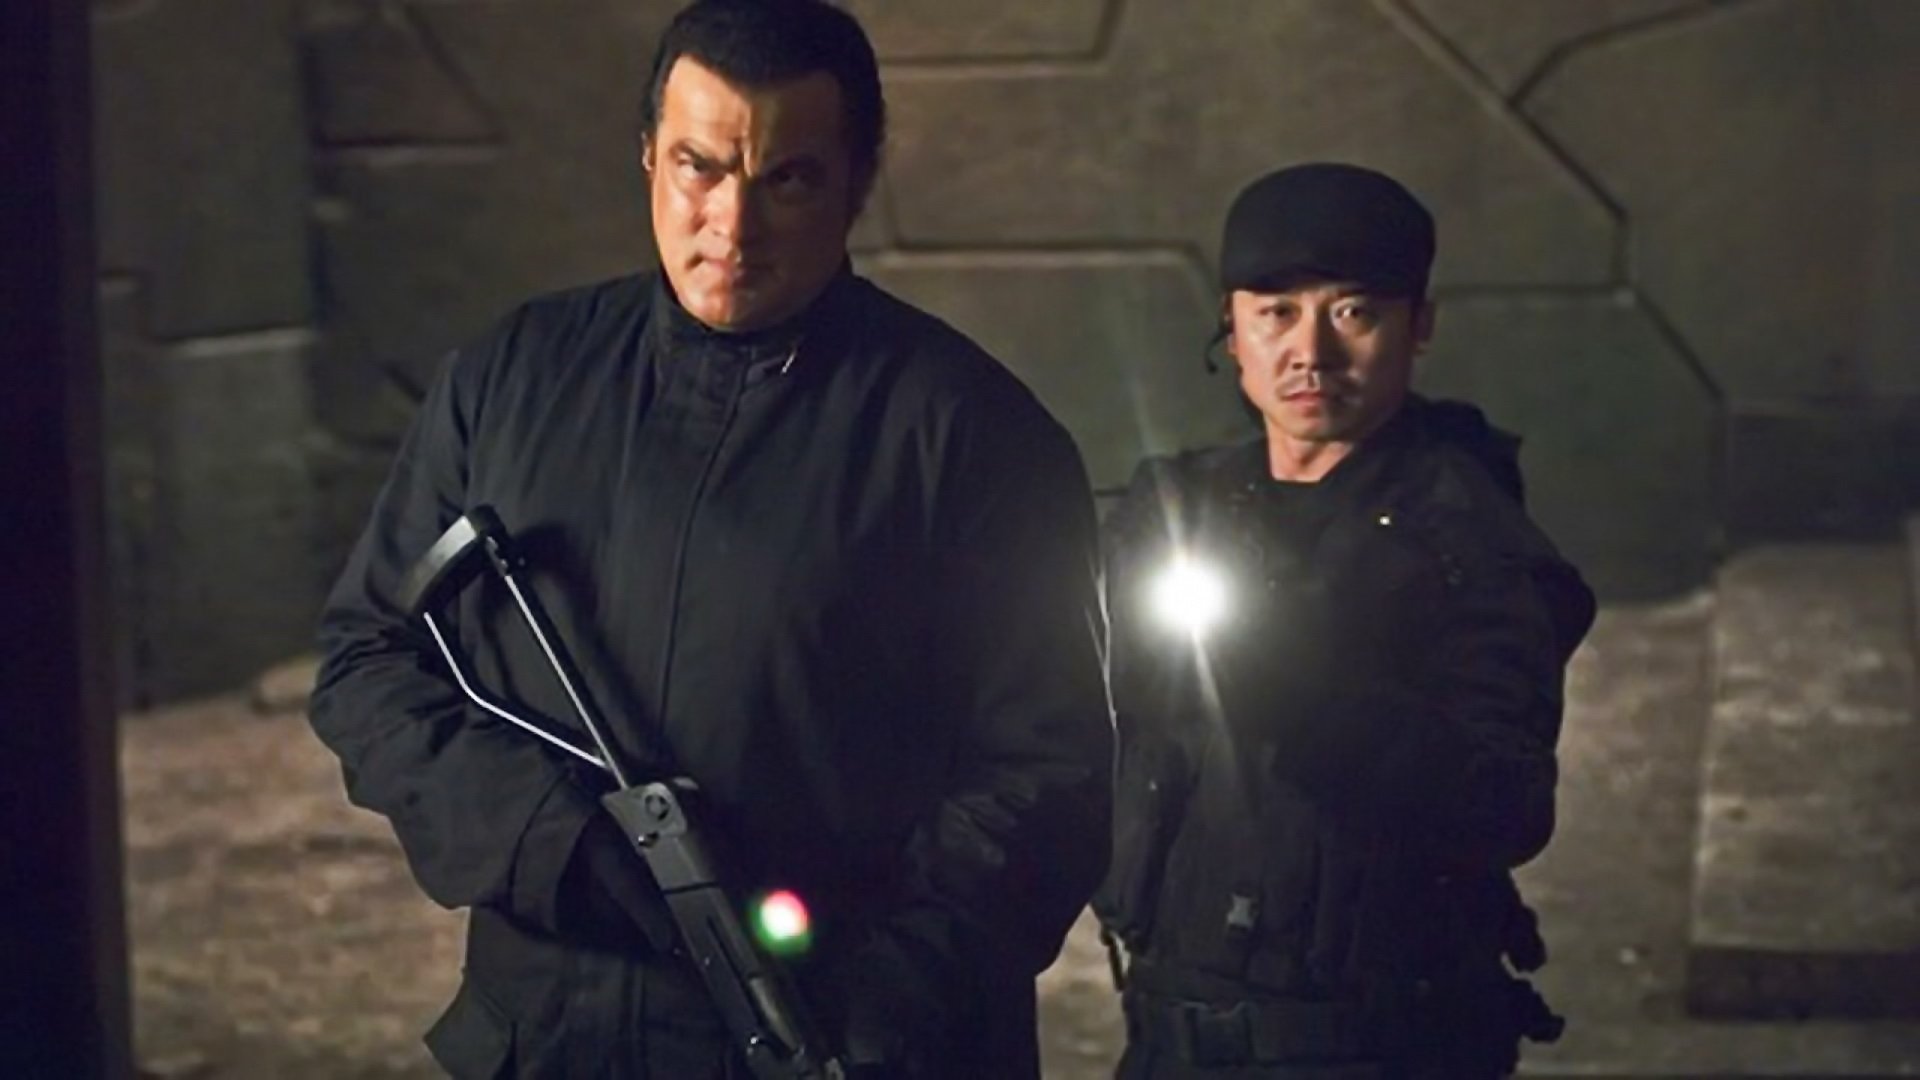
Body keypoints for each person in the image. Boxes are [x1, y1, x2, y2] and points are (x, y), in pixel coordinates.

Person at [308, 2, 1112, 1076]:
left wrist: (876, 1012)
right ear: (648, 154)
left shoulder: (974, 436)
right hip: (555, 1035)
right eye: (700, 167)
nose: (733, 226)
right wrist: (552, 841)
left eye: (789, 180)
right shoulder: (511, 377)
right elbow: (369, 660)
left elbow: (1047, 776)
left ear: (858, 182)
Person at [1093, 162, 1597, 1079]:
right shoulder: (1181, 510)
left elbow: (1507, 803)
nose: (1310, 352)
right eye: (1276, 313)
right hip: (1171, 1030)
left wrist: (1304, 695)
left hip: (1374, 1039)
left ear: (1419, 326)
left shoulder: (1465, 540)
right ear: (1232, 329)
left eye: (1354, 311)